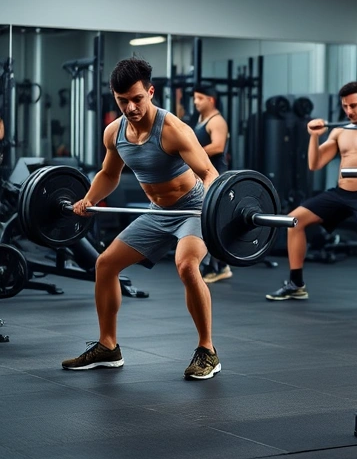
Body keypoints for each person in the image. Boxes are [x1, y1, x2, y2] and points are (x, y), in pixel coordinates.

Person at [61, 57, 222, 380]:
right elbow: (109, 173)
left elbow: (208, 173)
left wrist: (214, 213)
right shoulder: (114, 133)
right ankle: (108, 347)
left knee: (186, 266)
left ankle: (207, 351)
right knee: (105, 264)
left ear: (150, 92)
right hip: (156, 213)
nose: (131, 107)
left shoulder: (174, 130)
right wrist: (89, 199)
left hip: (193, 209)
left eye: (137, 99)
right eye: (123, 101)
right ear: (115, 98)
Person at [265, 82, 357, 312]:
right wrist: (313, 136)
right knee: (294, 221)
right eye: (345, 106)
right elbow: (315, 164)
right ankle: (296, 283)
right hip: (341, 193)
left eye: (353, 105)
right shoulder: (340, 130)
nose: (349, 111)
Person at [191, 83, 232, 284]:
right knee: (205, 221)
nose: (195, 102)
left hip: (215, 178)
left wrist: (190, 154)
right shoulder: (201, 120)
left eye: (199, 98)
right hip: (202, 177)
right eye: (195, 98)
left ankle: (220, 266)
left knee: (211, 222)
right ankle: (216, 264)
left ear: (211, 100)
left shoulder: (217, 121)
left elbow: (218, 146)